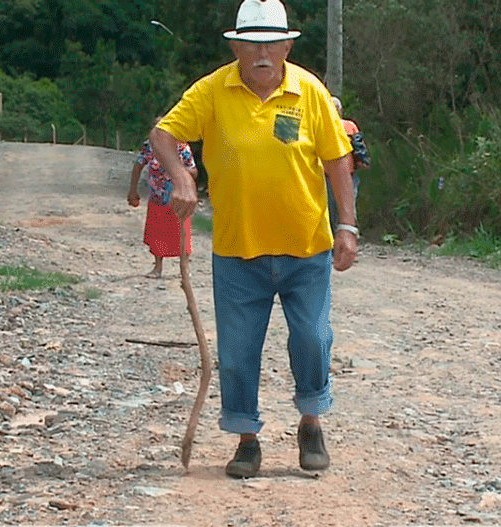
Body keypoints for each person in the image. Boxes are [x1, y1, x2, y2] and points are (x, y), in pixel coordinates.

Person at [149, 0, 357, 478]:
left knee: (312, 338)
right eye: (252, 43)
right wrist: (181, 177)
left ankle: (311, 423)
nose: (262, 53)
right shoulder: (213, 91)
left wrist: (347, 225)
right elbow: (163, 134)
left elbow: (336, 160)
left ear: (287, 45)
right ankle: (247, 439)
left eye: (272, 43)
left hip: (306, 245)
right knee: (239, 353)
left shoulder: (310, 92)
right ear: (237, 46)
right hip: (238, 249)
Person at [127, 125, 198, 278]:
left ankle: (184, 268)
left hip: (179, 197)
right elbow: (138, 166)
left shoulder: (181, 146)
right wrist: (133, 190)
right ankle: (157, 268)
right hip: (157, 198)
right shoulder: (150, 146)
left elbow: (194, 171)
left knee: (181, 232)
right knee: (157, 232)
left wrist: (179, 169)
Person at [327, 96, 365, 232]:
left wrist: (362, 160)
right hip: (326, 174)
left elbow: (359, 146)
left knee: (345, 207)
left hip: (348, 173)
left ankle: (347, 234)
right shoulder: (321, 124)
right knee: (332, 208)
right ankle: (334, 240)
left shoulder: (349, 126)